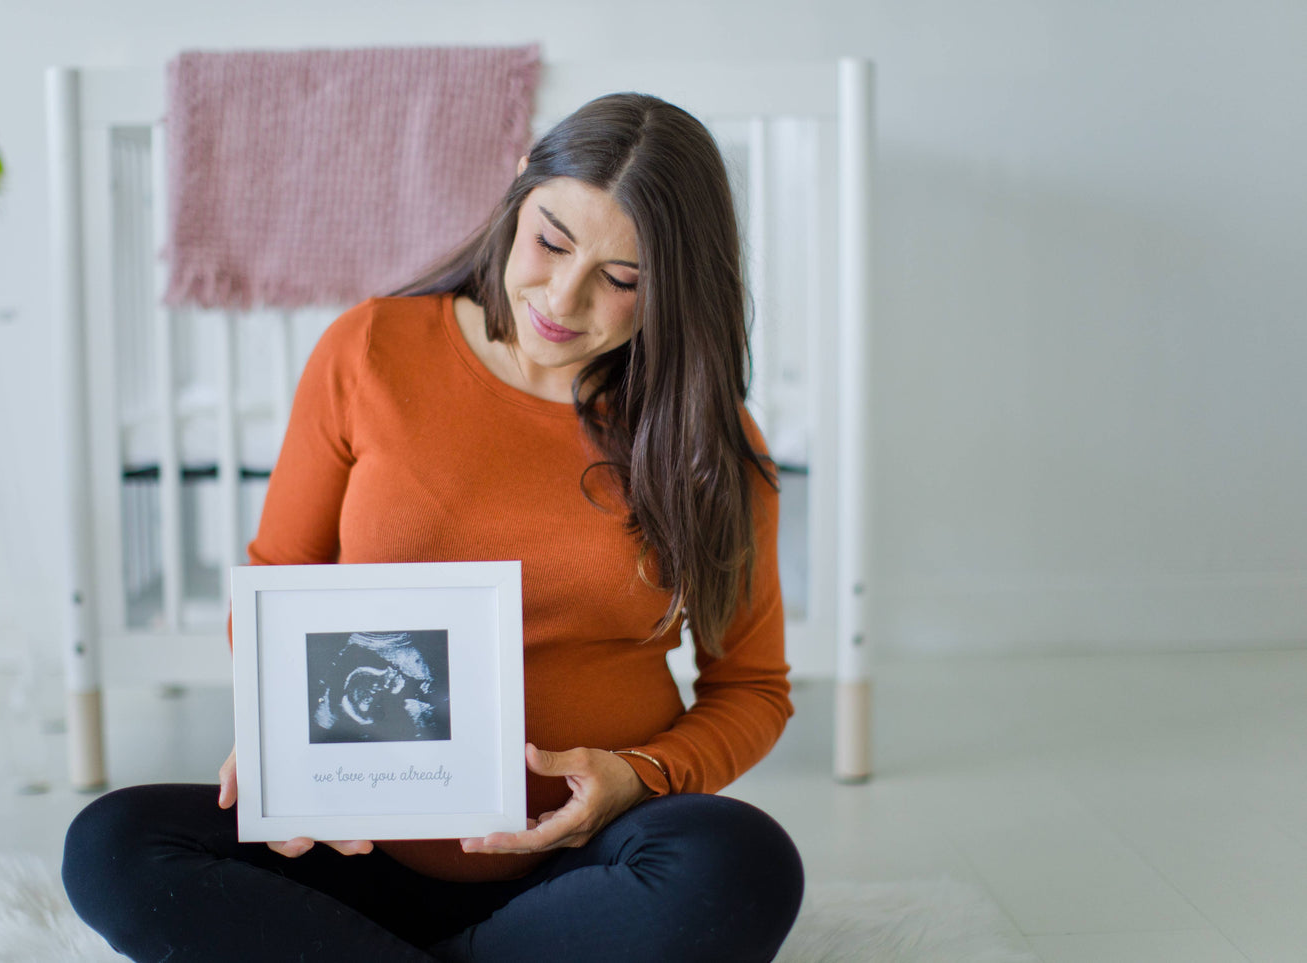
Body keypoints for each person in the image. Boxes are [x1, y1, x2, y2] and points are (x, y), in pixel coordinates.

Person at [63, 92, 805, 962]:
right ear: (517, 196)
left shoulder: (710, 441)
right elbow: (279, 578)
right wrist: (280, 742)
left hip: (578, 861)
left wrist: (637, 778)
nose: (563, 298)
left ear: (676, 287)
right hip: (354, 846)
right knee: (112, 843)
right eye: (552, 242)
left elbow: (752, 688)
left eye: (622, 280)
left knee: (743, 865)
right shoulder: (370, 348)